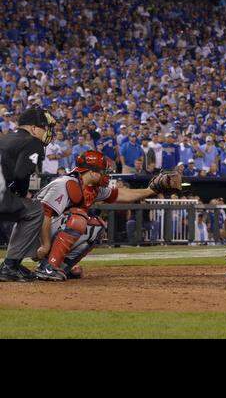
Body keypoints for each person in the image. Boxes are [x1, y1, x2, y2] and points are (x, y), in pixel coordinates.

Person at [32, 151, 181, 280]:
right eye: (102, 171)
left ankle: (61, 266)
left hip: (46, 231)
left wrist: (151, 190)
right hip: (32, 235)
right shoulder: (66, 183)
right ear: (91, 172)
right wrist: (45, 245)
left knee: (97, 227)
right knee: (78, 217)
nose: (106, 175)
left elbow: (123, 194)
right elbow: (44, 215)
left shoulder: (93, 188)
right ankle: (48, 267)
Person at [0, 108, 55, 281]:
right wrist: (22, 194)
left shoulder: (7, 137)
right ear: (32, 128)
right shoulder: (32, 142)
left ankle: (12, 265)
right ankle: (10, 265)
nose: (47, 132)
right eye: (44, 127)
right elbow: (21, 174)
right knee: (35, 209)